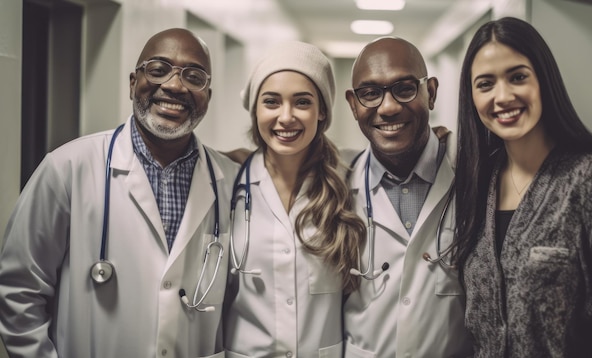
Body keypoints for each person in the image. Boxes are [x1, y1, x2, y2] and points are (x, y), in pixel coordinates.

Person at [0, 28, 239, 357]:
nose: (174, 85)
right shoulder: (67, 167)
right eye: (158, 69)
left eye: (194, 77)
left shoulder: (233, 181)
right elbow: (19, 291)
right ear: (132, 83)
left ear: (207, 97)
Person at [454, 16, 592, 357]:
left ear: (544, 81)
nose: (502, 97)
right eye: (485, 84)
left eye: (517, 77)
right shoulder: (476, 183)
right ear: (472, 97)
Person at [222, 41, 365, 357]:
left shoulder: (350, 176)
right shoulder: (227, 178)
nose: (286, 117)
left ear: (322, 111)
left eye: (302, 102)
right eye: (271, 102)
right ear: (255, 110)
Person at [342, 36, 473, 357]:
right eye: (370, 94)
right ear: (353, 104)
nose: (388, 107)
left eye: (404, 88)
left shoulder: (475, 175)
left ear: (431, 92)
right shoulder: (338, 185)